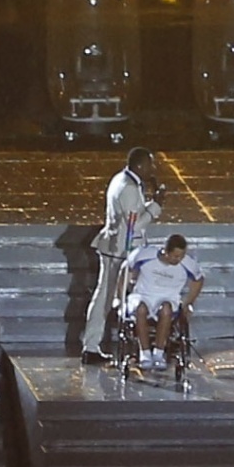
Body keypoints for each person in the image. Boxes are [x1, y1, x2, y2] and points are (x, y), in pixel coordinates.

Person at [74, 149, 158, 363]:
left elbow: (132, 215)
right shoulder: (128, 187)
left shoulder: (121, 180)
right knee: (106, 297)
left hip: (116, 246)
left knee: (107, 296)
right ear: (140, 166)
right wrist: (157, 205)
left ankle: (97, 346)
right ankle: (93, 347)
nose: (153, 169)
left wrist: (148, 204)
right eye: (151, 164)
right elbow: (134, 225)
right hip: (121, 251)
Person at [125, 228, 204, 377]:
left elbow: (198, 280)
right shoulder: (145, 255)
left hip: (169, 297)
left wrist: (188, 302)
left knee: (166, 309)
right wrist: (120, 295)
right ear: (165, 252)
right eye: (175, 256)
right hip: (143, 294)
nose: (178, 259)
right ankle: (145, 353)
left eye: (181, 256)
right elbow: (126, 269)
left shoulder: (187, 264)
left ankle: (159, 353)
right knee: (141, 309)